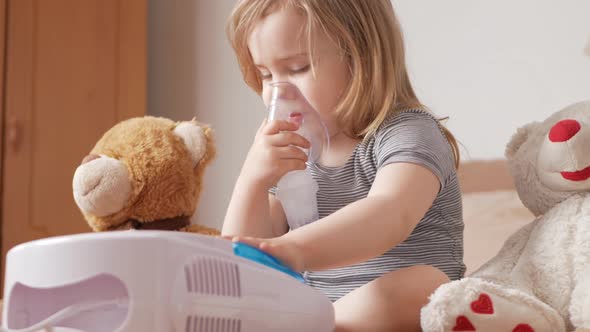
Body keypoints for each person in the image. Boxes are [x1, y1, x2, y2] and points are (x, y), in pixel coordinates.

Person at [222, 1, 464, 331]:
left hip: (400, 309)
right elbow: (238, 263)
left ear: (361, 56)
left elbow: (391, 213)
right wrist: (252, 180)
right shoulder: (295, 149)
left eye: (297, 68)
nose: (278, 92)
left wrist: (293, 249)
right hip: (314, 310)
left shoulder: (407, 131)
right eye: (266, 75)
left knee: (424, 287)